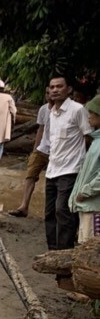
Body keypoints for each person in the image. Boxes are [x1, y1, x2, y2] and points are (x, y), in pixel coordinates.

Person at [43, 73, 90, 253]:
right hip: (52, 169)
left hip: (70, 170)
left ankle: (65, 252)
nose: (55, 90)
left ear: (69, 89)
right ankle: (52, 251)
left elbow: (88, 137)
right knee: (49, 213)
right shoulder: (51, 112)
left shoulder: (77, 110)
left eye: (59, 86)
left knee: (63, 211)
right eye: (52, 87)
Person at [8, 88, 51, 218]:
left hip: (57, 152)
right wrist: (35, 149)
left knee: (53, 181)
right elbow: (40, 129)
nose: (49, 95)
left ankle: (51, 212)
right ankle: (24, 206)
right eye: (47, 92)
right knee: (30, 176)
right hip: (41, 149)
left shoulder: (67, 112)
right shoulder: (44, 109)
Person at [70, 96, 100, 245]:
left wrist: (85, 191)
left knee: (92, 249)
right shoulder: (96, 141)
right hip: (88, 205)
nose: (88, 116)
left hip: (94, 206)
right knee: (85, 244)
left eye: (92, 112)